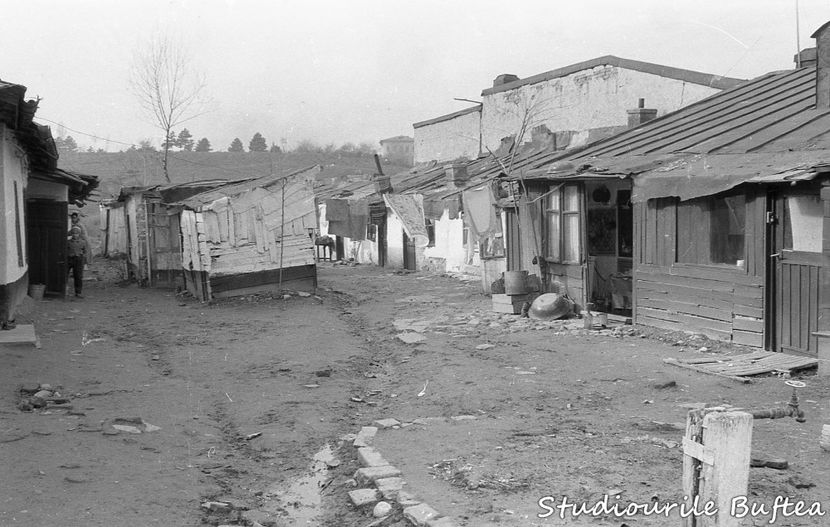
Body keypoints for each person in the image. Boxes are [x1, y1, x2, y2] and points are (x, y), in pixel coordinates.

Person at [67, 226, 86, 298]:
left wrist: (83, 261)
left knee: (78, 276)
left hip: (78, 260)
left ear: (79, 234)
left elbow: (85, 251)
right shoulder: (68, 242)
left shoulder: (83, 242)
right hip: (69, 259)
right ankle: (64, 290)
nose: (75, 235)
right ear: (71, 234)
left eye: (77, 233)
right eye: (74, 233)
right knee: (65, 275)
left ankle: (78, 292)